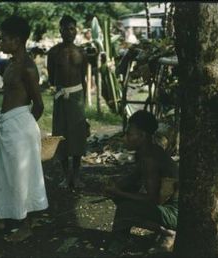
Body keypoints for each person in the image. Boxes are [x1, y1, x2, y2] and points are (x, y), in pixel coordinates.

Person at [0, 15, 48, 242]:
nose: (0, 43)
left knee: (21, 177)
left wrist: (24, 126)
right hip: (8, 125)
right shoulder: (11, 64)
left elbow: (38, 105)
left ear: (17, 40)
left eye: (4, 39)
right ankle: (3, 217)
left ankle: (26, 225)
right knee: (3, 176)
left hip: (20, 126)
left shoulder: (28, 68)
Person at [104, 110, 179, 254]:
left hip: (175, 214)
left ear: (142, 136)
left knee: (125, 208)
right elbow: (134, 177)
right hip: (167, 205)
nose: (125, 138)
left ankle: (169, 232)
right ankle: (163, 231)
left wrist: (118, 191)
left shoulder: (149, 159)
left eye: (129, 134)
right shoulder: (147, 151)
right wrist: (116, 186)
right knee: (121, 195)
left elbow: (152, 199)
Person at [47, 15, 89, 190]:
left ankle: (77, 175)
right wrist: (61, 91)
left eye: (72, 28)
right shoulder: (54, 53)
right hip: (61, 98)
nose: (69, 32)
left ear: (76, 30)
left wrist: (83, 102)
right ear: (60, 31)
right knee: (61, 134)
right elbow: (51, 78)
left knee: (78, 134)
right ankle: (66, 176)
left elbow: (84, 79)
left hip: (77, 97)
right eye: (65, 29)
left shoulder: (82, 53)